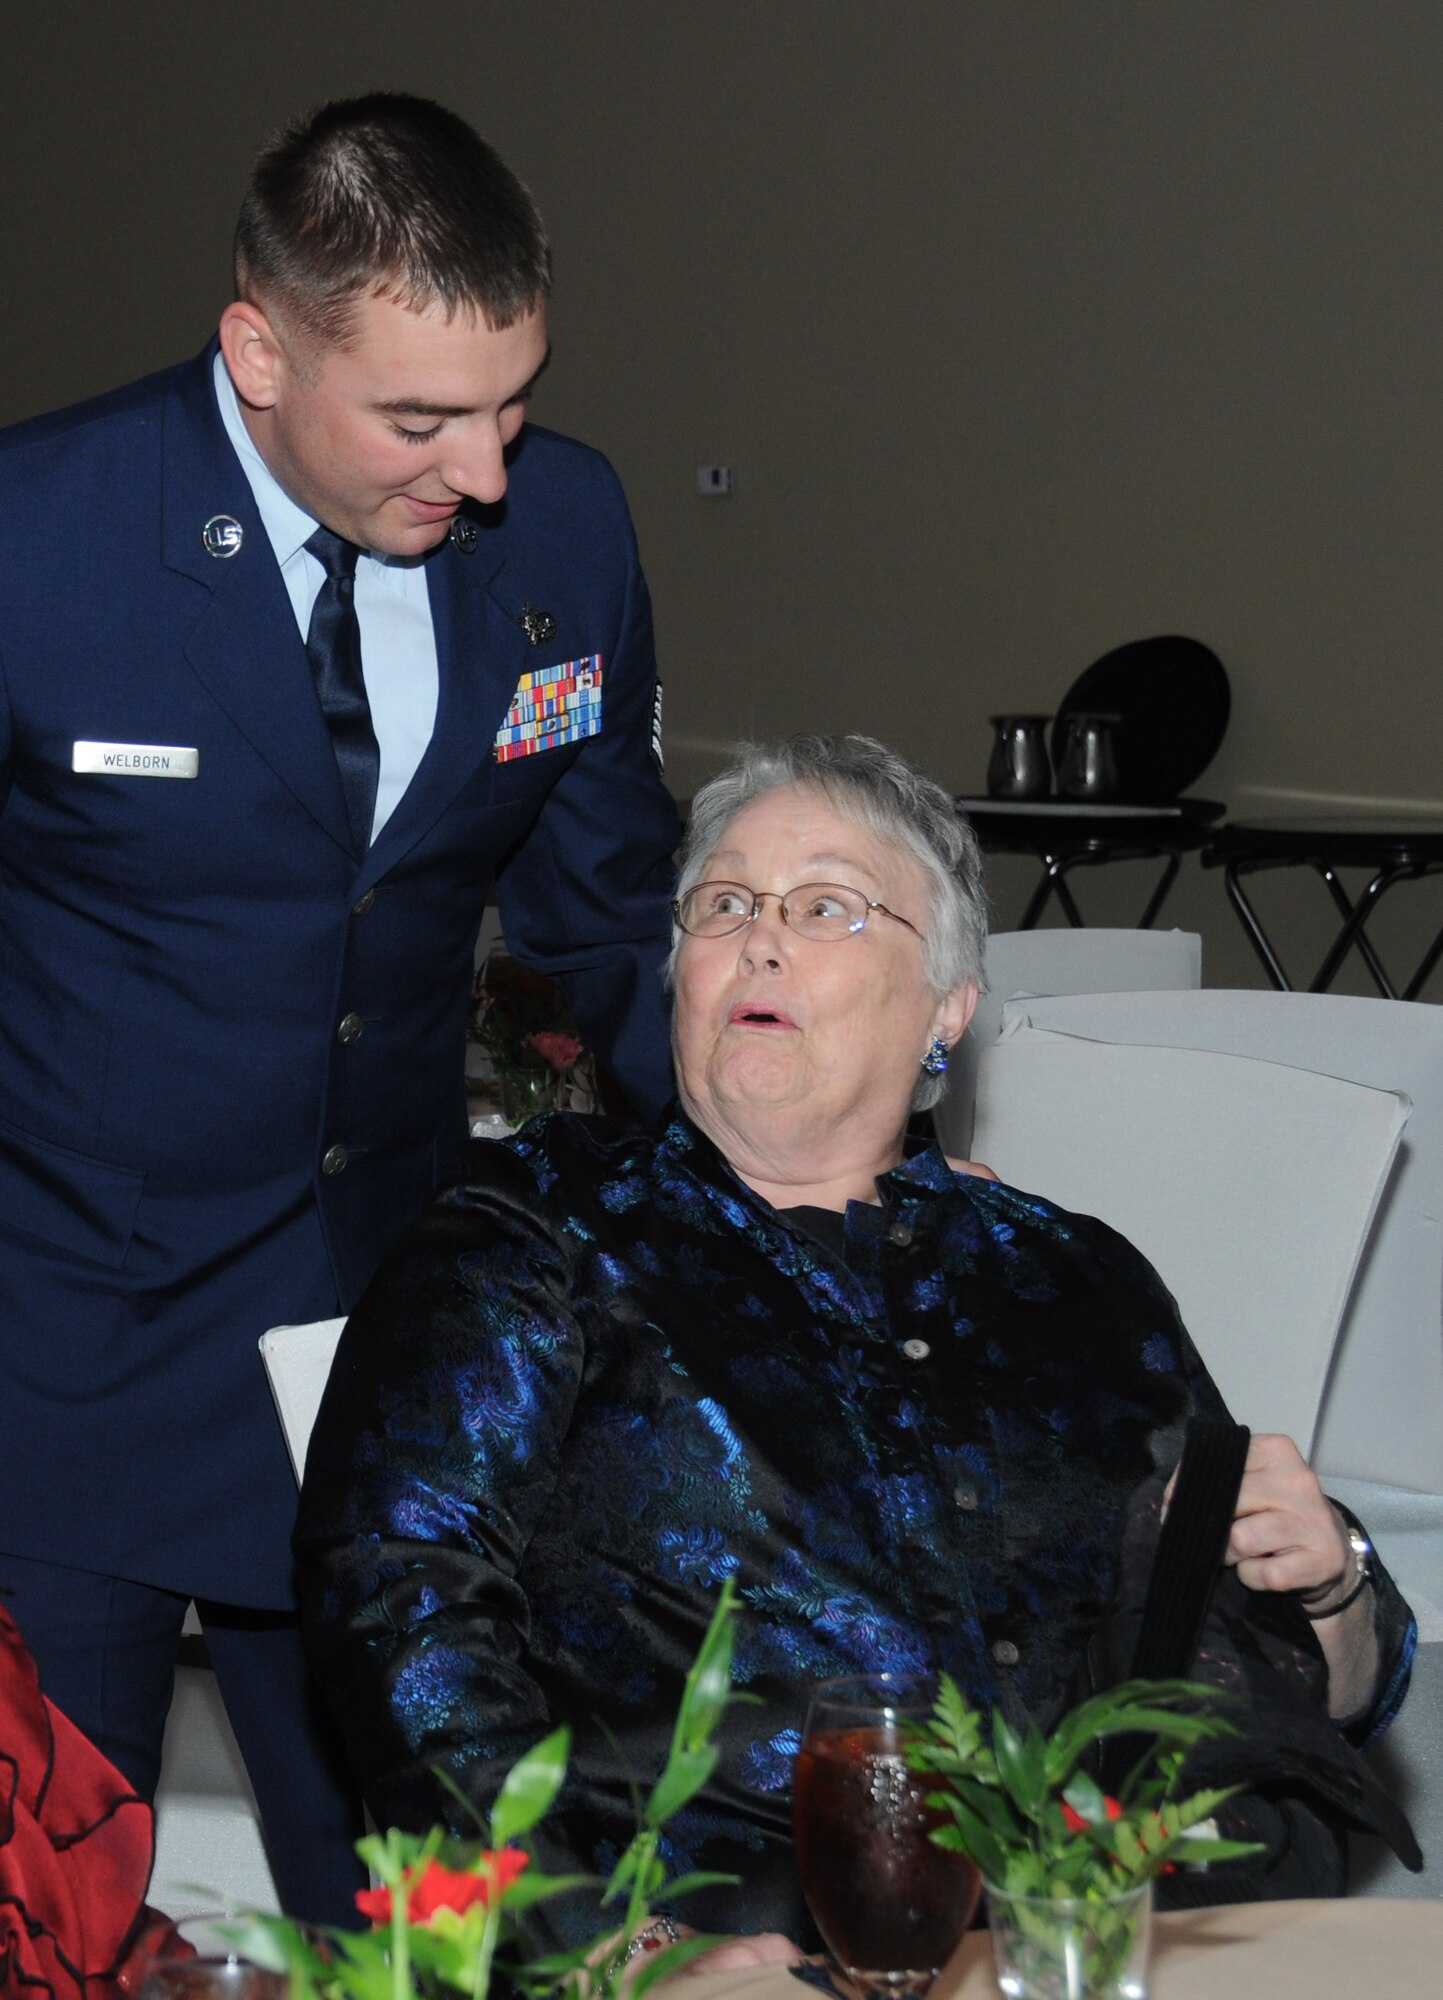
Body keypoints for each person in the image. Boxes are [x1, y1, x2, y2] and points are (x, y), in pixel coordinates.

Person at [296, 734, 1416, 1959]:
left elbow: (1266, 1661)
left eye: (826, 905)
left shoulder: (1079, 1277)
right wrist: (611, 1952)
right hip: (730, 1944)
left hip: (1097, 1940)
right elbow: (399, 1600)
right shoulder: (538, 1231)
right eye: (723, 904)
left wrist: (1337, 1589)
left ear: (947, 1009)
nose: (758, 938)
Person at [0, 93, 679, 1924]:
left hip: (378, 1378)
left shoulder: (566, 536)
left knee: (423, 1933)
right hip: (67, 1362)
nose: (484, 471)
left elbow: (612, 922)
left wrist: (815, 1165)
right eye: (419, 419)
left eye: (512, 403)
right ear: (258, 347)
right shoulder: (35, 536)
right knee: (46, 1930)